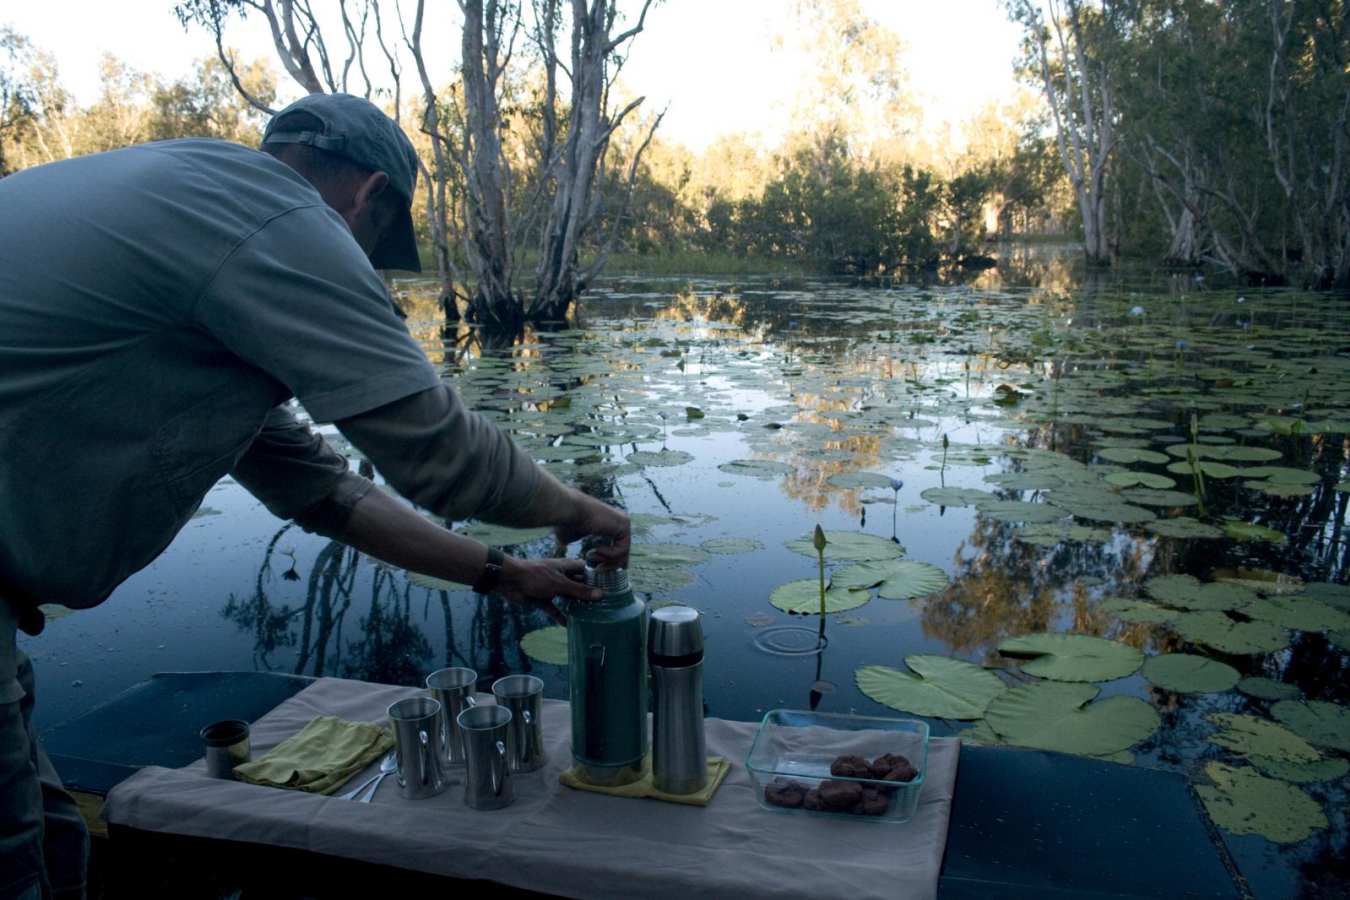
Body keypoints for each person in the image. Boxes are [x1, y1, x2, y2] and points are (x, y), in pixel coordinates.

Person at [0, 92, 630, 900]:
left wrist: (506, 575)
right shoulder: (278, 221)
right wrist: (585, 510)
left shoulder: (196, 208)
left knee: (53, 842)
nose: (362, 267)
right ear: (367, 195)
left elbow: (322, 491)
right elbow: (442, 460)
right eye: (374, 247)